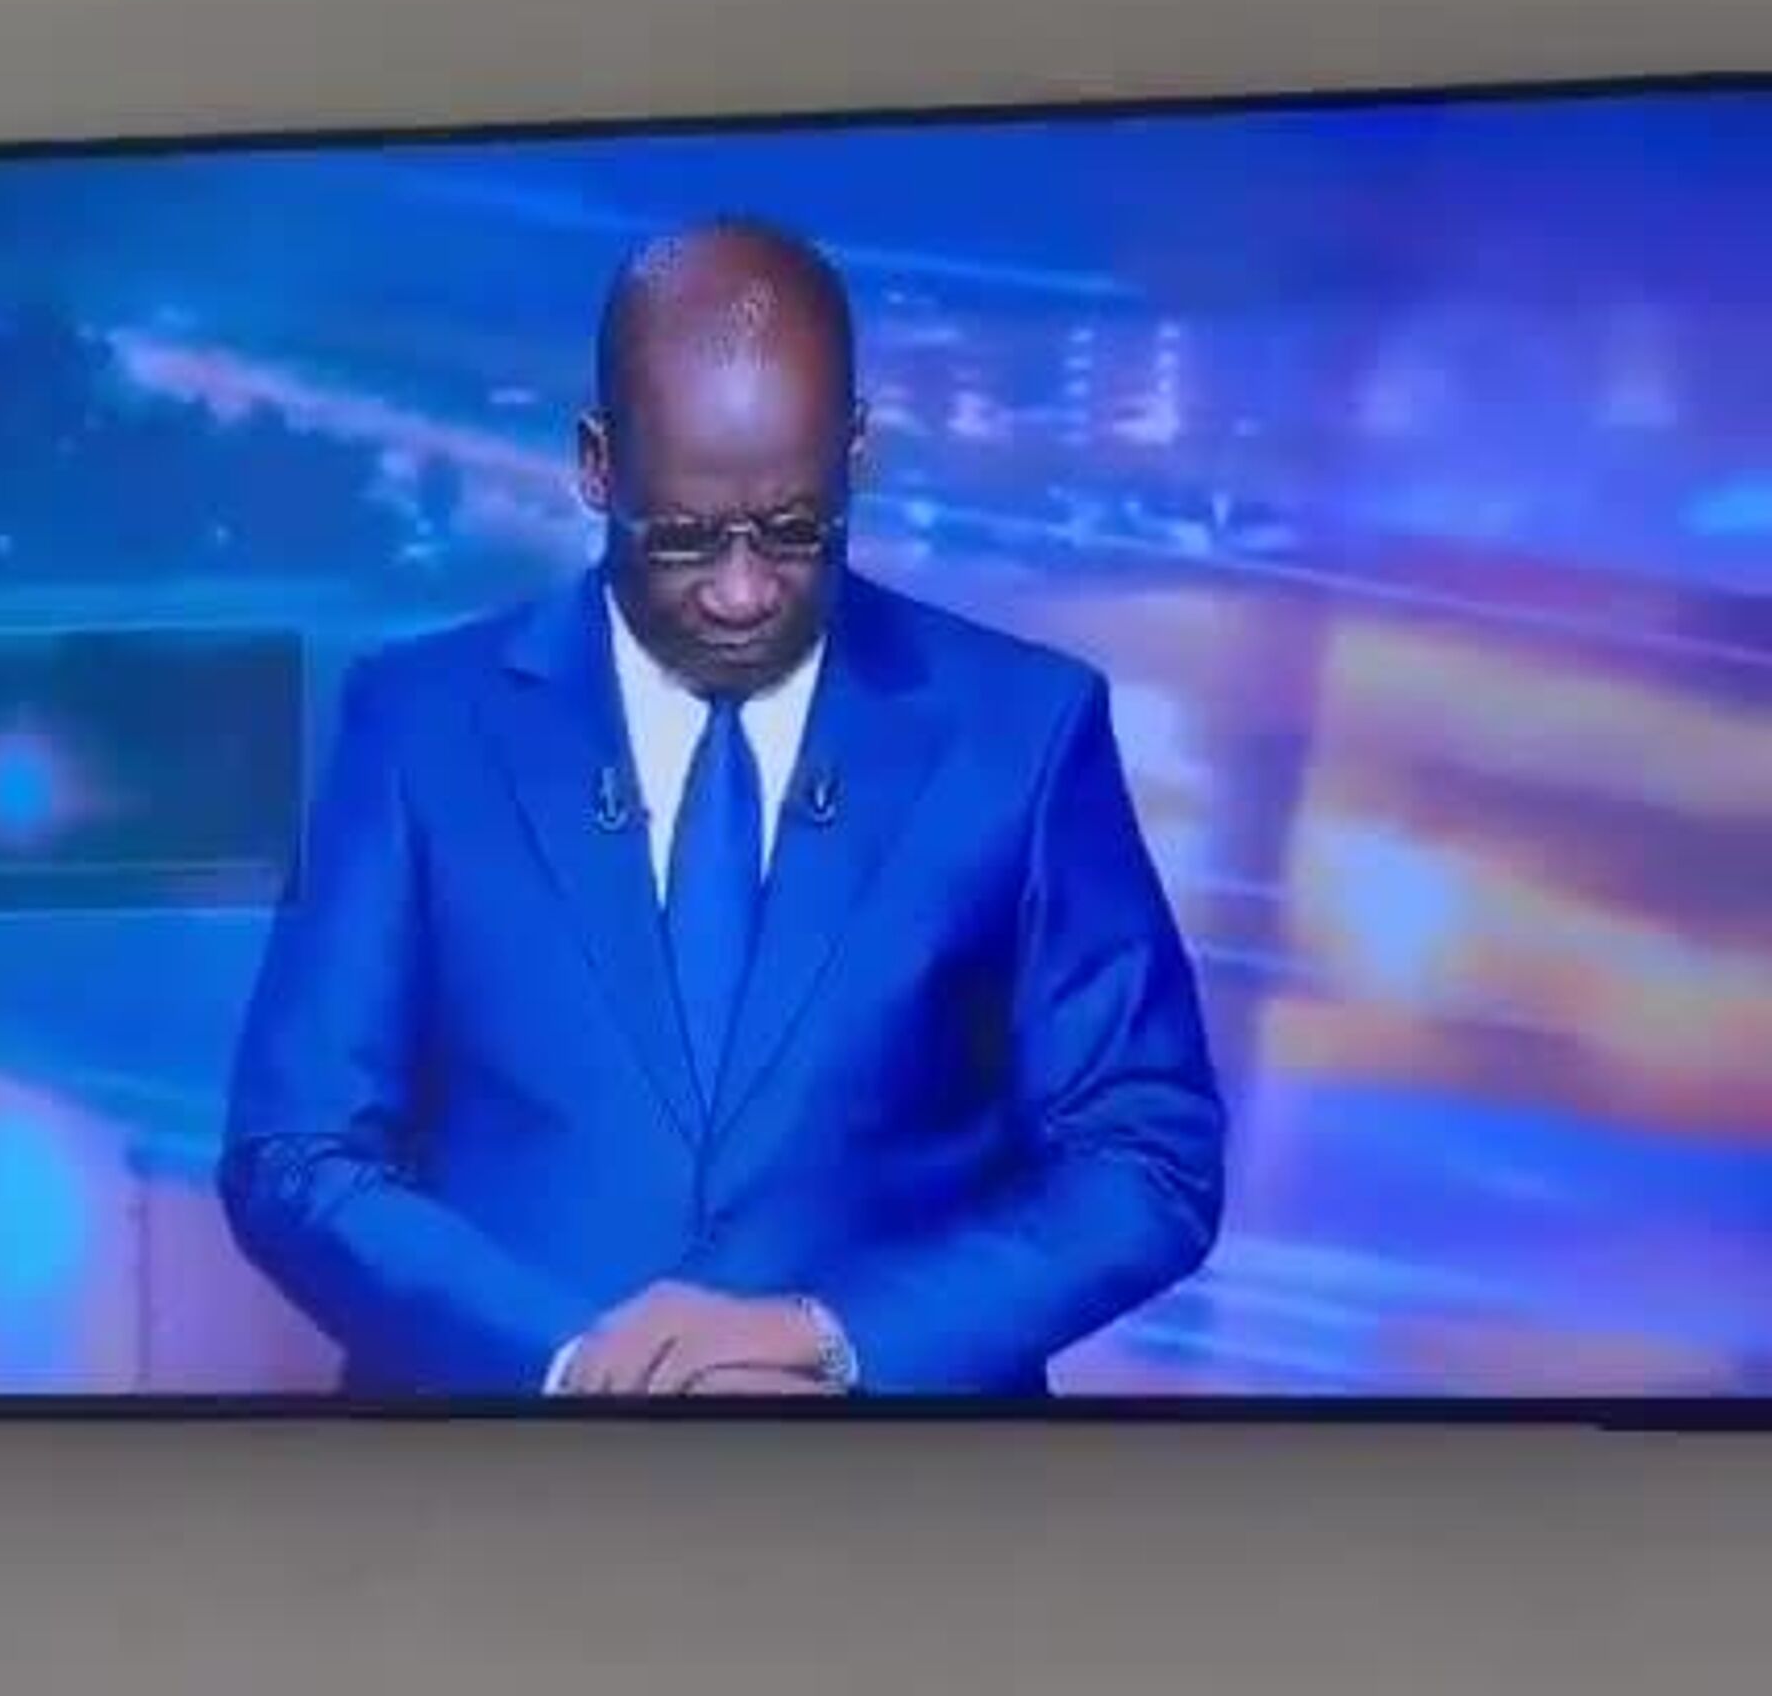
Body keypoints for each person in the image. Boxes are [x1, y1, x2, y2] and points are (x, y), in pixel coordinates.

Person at [220, 218, 1224, 1399]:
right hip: (496, 1488)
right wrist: (579, 1366)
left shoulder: (1025, 733)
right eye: (686, 537)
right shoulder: (419, 724)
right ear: (598, 464)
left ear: (856, 452)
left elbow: (1146, 1159)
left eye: (795, 532)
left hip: (905, 1499)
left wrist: (833, 1339)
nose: (742, 591)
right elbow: (297, 1152)